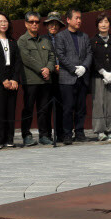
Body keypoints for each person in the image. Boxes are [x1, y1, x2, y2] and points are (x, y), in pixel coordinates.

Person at [18, 11, 55, 146]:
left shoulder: (45, 39)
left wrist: (48, 69)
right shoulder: (22, 40)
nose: (34, 24)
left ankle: (44, 135)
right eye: (31, 22)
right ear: (26, 24)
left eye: (37, 22)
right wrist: (42, 69)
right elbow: (27, 58)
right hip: (31, 80)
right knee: (28, 108)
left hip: (46, 81)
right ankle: (26, 135)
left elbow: (51, 56)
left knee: (44, 109)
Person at [55, 9, 92, 145]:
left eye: (80, 18)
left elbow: (89, 54)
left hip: (82, 77)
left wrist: (84, 67)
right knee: (68, 107)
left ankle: (80, 132)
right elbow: (61, 55)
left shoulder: (85, 36)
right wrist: (73, 69)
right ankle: (67, 134)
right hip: (67, 78)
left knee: (81, 107)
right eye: (76, 18)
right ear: (68, 20)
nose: (79, 21)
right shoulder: (61, 36)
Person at [0, 13, 22, 150]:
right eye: (0, 21)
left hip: (12, 79)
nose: (3, 24)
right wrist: (3, 79)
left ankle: (9, 139)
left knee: (10, 110)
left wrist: (14, 79)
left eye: (5, 21)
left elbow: (17, 61)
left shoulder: (13, 41)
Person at [90, 12, 111, 141]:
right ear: (97, 25)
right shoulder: (93, 41)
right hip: (98, 77)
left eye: (106, 22)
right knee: (99, 103)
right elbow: (92, 59)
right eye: (101, 22)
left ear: (109, 24)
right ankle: (100, 131)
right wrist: (103, 72)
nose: (103, 24)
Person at [42, 12, 65, 142]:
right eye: (51, 23)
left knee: (61, 106)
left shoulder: (64, 37)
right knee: (46, 106)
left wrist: (61, 66)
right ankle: (46, 135)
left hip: (62, 75)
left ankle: (61, 133)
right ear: (47, 25)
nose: (53, 26)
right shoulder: (43, 39)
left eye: (56, 24)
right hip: (47, 76)